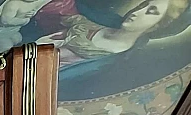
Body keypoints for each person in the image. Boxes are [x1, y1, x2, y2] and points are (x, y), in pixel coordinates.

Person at [40, 0, 190, 68]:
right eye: (144, 5)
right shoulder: (100, 19)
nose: (137, 11)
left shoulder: (114, 61)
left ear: (157, 26)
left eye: (151, 12)